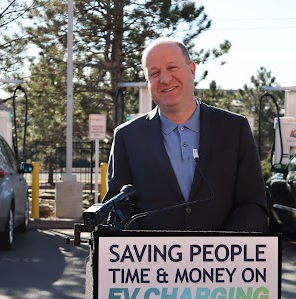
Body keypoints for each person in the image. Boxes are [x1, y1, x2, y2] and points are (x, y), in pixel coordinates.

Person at [104, 36, 267, 232]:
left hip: (222, 260)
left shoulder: (234, 129)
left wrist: (220, 250)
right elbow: (118, 210)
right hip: (152, 260)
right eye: (155, 73)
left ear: (192, 69)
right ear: (147, 81)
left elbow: (252, 204)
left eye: (172, 68)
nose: (164, 79)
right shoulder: (127, 137)